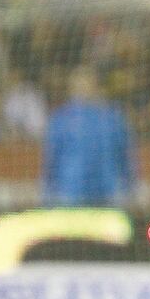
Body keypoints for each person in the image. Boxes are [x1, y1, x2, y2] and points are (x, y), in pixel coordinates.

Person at [42, 66, 135, 207]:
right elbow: (51, 158)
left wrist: (130, 187)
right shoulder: (61, 119)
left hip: (108, 191)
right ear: (71, 88)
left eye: (87, 83)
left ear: (96, 86)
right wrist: (48, 192)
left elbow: (125, 155)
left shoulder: (113, 118)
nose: (83, 88)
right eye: (79, 84)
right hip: (71, 192)